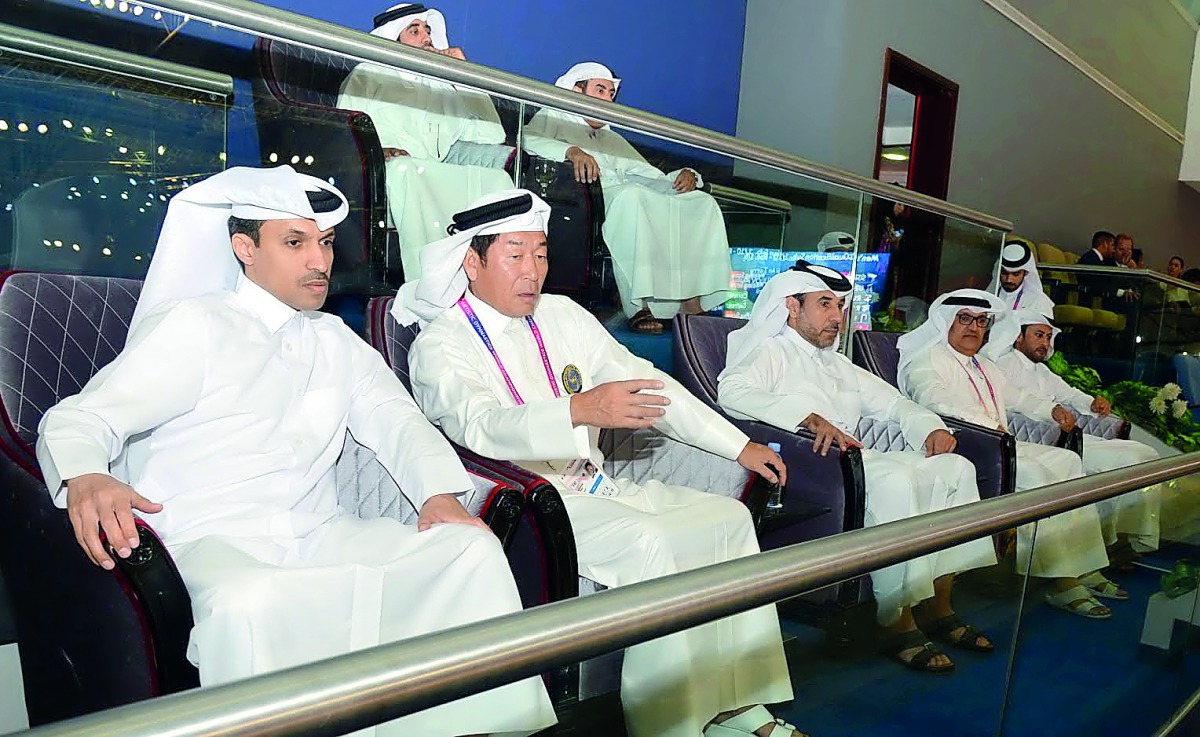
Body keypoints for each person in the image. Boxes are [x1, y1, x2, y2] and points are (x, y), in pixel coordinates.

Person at [36, 166, 556, 736]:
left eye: (326, 243)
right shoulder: (195, 325)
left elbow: (397, 419)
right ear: (245, 249)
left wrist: (437, 492)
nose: (319, 261)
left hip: (317, 533)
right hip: (212, 543)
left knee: (468, 552)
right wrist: (87, 475)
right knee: (253, 602)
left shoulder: (334, 339)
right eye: (295, 242)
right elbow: (82, 417)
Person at [403, 189, 804, 737]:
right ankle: (672, 723)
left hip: (598, 486)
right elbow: (479, 426)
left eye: (541, 254)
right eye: (515, 256)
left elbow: (647, 381)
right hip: (533, 504)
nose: (532, 272)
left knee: (729, 520)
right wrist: (580, 409)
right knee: (653, 542)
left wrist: (738, 446)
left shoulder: (563, 315)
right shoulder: (441, 343)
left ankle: (738, 703)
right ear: (472, 262)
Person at [717, 263, 997, 674]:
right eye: (825, 304)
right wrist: (806, 417)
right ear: (792, 307)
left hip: (861, 462)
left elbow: (893, 402)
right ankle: (894, 620)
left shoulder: (838, 363)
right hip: (818, 472)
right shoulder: (770, 351)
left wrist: (930, 427)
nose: (837, 317)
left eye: (841, 307)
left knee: (956, 468)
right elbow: (731, 391)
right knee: (898, 480)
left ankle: (939, 605)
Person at [897, 289, 1119, 620]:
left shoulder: (984, 364)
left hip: (1002, 444)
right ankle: (1063, 581)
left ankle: (1080, 565)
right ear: (946, 321)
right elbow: (935, 400)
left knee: (1069, 461)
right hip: (967, 449)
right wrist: (990, 426)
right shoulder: (927, 360)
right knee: (1038, 477)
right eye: (965, 318)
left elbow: (1017, 397)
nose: (974, 327)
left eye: (981, 321)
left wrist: (1051, 410)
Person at [523, 62, 732, 334]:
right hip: (594, 199)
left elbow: (648, 174)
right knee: (633, 197)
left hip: (630, 192)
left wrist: (685, 176)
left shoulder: (610, 138)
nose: (608, 99)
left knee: (701, 203)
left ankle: (691, 302)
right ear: (576, 91)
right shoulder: (554, 117)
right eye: (600, 90)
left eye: (611, 94)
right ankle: (638, 306)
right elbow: (527, 139)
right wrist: (572, 152)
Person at [338, 3, 514, 280]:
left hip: (432, 174)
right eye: (415, 31)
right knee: (405, 169)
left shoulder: (441, 87)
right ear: (394, 37)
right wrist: (377, 149)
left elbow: (493, 135)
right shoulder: (369, 74)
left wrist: (464, 76)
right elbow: (344, 131)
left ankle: (493, 279)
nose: (427, 38)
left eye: (428, 31)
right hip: (384, 173)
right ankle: (427, 283)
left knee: (498, 180)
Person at [984, 310, 1160, 557]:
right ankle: (1110, 543)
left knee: (1146, 453)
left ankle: (1132, 536)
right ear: (1018, 337)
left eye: (1048, 337)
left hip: (1067, 436)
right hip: (1044, 441)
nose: (1045, 343)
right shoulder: (1004, 365)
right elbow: (1015, 402)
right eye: (1038, 335)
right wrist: (1051, 412)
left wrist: (1092, 403)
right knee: (1129, 460)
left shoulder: (1042, 371)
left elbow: (1069, 394)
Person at [986, 237, 1055, 314]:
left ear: (1026, 273)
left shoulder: (1039, 302)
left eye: (1015, 274)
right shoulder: (989, 295)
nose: (1009, 279)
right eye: (1004, 273)